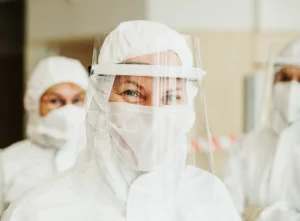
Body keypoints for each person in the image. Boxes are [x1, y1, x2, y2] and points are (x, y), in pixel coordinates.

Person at [1, 21, 241, 221]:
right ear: (101, 99)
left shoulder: (210, 198)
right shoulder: (39, 210)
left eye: (170, 96)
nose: (154, 112)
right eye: (132, 93)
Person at [0, 56, 88, 216]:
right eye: (55, 101)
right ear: (34, 104)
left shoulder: (103, 156)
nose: (68, 110)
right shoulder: (6, 163)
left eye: (77, 100)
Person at [223, 40, 300, 220]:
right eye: (285, 78)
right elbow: (228, 210)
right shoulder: (246, 146)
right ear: (273, 82)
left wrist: (258, 214)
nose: (292, 88)